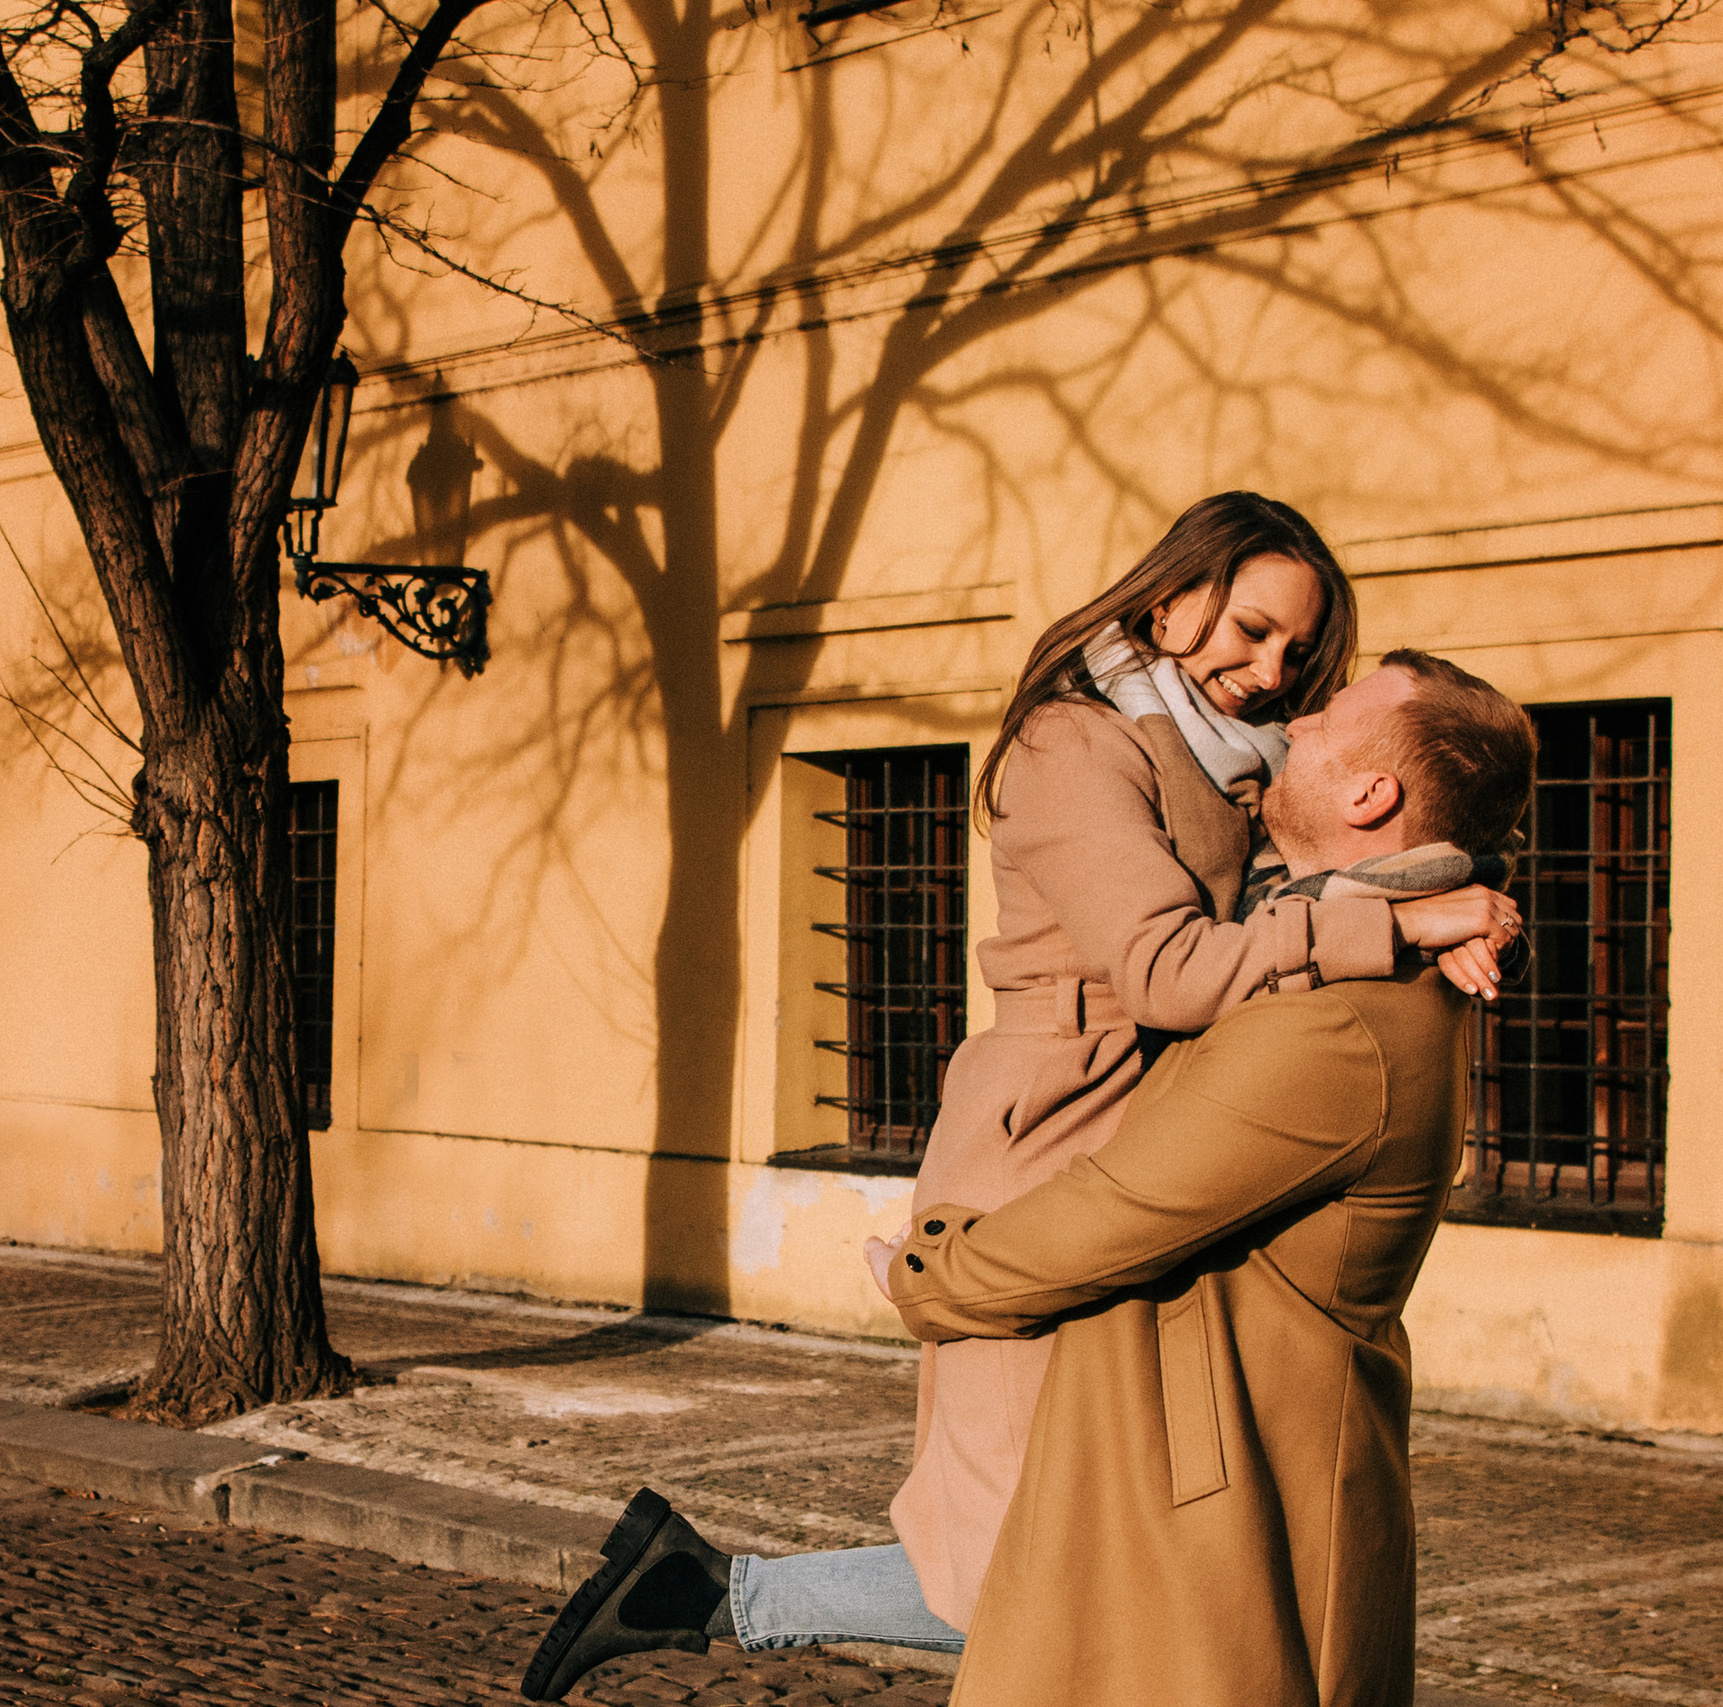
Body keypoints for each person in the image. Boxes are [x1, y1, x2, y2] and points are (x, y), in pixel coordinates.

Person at [516, 502, 1518, 1698]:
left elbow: (1332, 865)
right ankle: (707, 1595)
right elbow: (1171, 968)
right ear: (1169, 601)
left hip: (1141, 1124)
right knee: (1038, 1554)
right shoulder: (1075, 745)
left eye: (1298, 654)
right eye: (1251, 632)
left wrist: (1438, 893)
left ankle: (691, 1588)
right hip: (1046, 1129)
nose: (1274, 678)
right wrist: (1388, 924)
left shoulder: (1232, 761)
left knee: (1074, 1537)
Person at [880, 651, 1536, 1707]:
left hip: (1223, 1509)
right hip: (1202, 1475)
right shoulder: (1339, 953)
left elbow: (1118, 1211)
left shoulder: (1331, 1022)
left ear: (1372, 796)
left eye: (1327, 720)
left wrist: (930, 1267)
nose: (1293, 721)